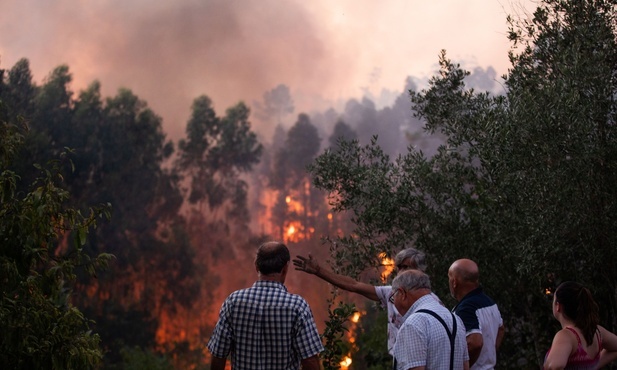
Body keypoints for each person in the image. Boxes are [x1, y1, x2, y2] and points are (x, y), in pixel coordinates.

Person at [293, 247, 441, 356]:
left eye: (406, 267)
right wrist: (319, 271)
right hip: (399, 359)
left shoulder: (431, 301)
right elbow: (354, 285)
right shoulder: (391, 293)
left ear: (419, 271)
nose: (401, 272)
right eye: (399, 267)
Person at [207, 241, 324, 370]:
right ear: (285, 269)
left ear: (256, 266)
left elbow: (218, 355)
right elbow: (310, 361)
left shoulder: (233, 302)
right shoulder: (298, 307)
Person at [392, 269, 469, 370]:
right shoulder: (455, 318)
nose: (393, 303)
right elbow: (465, 366)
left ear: (402, 293)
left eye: (393, 298)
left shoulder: (413, 323)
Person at [544, 281, 617, 370]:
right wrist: (592, 365)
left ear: (558, 306)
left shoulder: (565, 336)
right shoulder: (597, 332)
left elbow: (554, 366)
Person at [448, 259, 505, 370]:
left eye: (449, 277)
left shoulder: (466, 309)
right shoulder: (489, 302)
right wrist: (488, 355)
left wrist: (465, 366)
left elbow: (475, 343)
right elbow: (501, 329)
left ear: (454, 282)